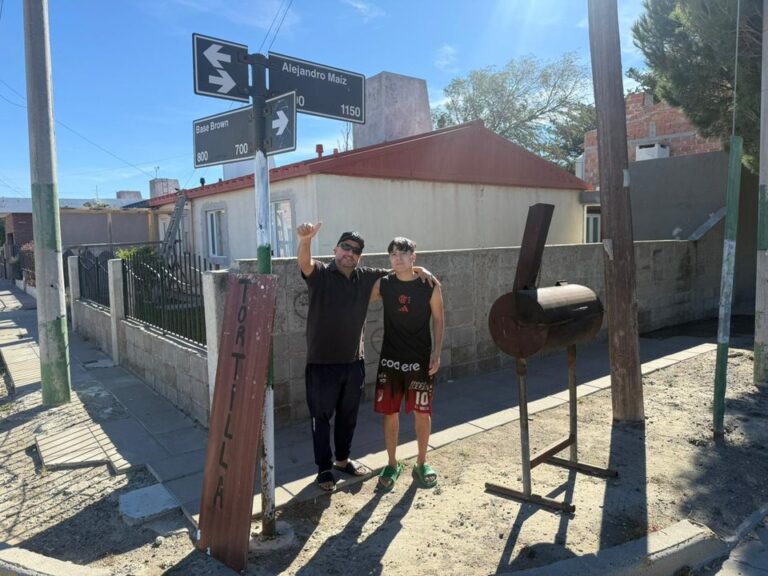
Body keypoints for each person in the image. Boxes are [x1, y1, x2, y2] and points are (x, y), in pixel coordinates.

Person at [297, 222, 436, 492]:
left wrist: (421, 269)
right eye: (345, 247)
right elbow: (305, 263)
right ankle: (324, 469)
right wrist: (305, 240)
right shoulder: (322, 273)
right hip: (321, 363)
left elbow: (400, 270)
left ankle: (342, 460)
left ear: (360, 256)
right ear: (336, 249)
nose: (349, 253)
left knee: (348, 416)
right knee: (322, 417)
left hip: (353, 363)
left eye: (356, 250)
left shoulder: (366, 277)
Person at [370, 237, 444, 492]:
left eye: (403, 253)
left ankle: (422, 462)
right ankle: (392, 463)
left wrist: (437, 351)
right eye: (393, 254)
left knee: (423, 412)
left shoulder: (429, 285)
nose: (398, 257)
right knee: (390, 413)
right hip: (390, 360)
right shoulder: (385, 284)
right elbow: (360, 295)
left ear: (414, 256)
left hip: (420, 360)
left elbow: (438, 318)